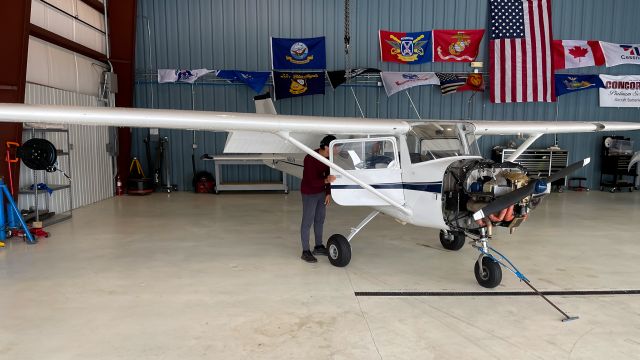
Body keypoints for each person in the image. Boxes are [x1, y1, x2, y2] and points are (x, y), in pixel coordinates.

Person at [299, 135, 337, 263]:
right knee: (307, 221)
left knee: (320, 219)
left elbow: (328, 174)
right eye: (334, 146)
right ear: (327, 147)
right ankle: (305, 251)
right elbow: (311, 182)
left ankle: (318, 246)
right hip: (309, 193)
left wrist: (328, 193)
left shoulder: (329, 158)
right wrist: (326, 180)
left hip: (321, 193)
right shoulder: (310, 158)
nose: (337, 149)